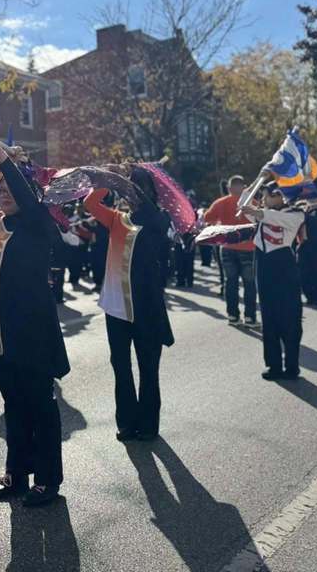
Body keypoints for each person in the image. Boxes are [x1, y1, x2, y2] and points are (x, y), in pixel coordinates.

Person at [0, 128, 69, 508]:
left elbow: (25, 193)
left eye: (12, 188)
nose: (4, 193)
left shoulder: (39, 225)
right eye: (1, 189)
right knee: (13, 404)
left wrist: (7, 161)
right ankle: (17, 473)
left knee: (39, 404)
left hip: (32, 335)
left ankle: (48, 479)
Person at [85, 167, 174, 443]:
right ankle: (126, 422)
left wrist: (134, 185)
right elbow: (90, 203)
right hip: (116, 307)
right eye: (128, 187)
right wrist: (110, 179)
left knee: (148, 368)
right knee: (120, 366)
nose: (130, 191)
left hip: (147, 307)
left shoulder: (158, 219)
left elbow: (151, 216)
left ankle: (148, 425)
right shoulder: (116, 220)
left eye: (135, 187)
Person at [240, 182, 305, 380]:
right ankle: (274, 365)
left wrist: (259, 211)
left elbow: (275, 218)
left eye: (269, 195)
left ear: (280, 196)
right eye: (265, 195)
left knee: (290, 318)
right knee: (269, 319)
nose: (266, 199)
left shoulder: (295, 213)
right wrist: (254, 185)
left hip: (284, 268)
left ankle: (292, 366)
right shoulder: (262, 212)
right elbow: (243, 206)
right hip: (263, 267)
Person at [204, 175, 258, 325]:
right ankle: (250, 317)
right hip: (248, 247)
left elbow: (207, 218)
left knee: (230, 282)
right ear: (243, 187)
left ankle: (233, 316)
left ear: (229, 188)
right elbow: (260, 219)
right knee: (249, 284)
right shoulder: (252, 203)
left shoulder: (220, 203)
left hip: (227, 247)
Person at [298, 197, 317, 306]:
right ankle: (309, 296)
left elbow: (316, 223)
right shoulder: (304, 212)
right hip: (303, 247)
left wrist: (303, 214)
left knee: (316, 273)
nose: (312, 202)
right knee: (304, 273)